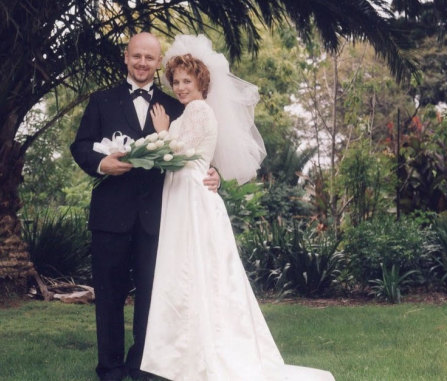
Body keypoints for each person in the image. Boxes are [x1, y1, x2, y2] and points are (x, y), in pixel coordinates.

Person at [140, 35, 335, 381]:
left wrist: (161, 131)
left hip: (192, 199)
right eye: (177, 81)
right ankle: (186, 355)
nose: (182, 87)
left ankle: (198, 356)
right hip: (185, 195)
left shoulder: (199, 111)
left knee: (195, 271)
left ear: (202, 81)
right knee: (192, 273)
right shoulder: (189, 112)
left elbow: (178, 155)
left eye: (188, 81)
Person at [70, 32, 220, 381]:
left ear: (157, 62)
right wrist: (101, 163)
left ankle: (144, 366)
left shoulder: (177, 104)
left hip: (161, 217)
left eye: (149, 58)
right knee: (108, 296)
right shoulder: (101, 100)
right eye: (136, 56)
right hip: (110, 215)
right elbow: (80, 146)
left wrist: (215, 175)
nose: (142, 63)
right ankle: (109, 368)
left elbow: (199, 146)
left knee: (154, 296)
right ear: (126, 57)